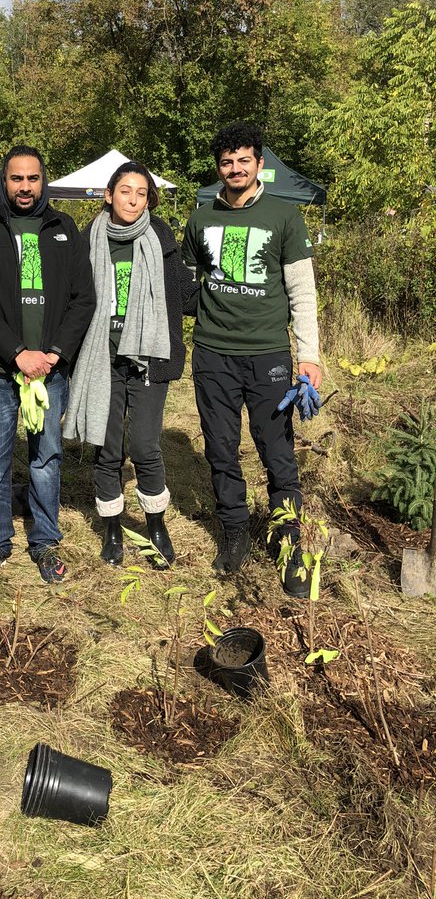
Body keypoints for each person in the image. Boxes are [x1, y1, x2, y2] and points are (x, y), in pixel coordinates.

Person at [181, 121, 323, 596]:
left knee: (277, 452)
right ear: (218, 168)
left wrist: (310, 355)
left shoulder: (284, 216)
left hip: (270, 357)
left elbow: (302, 291)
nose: (235, 168)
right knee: (220, 450)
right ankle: (235, 532)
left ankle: (288, 542)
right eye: (227, 162)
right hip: (213, 354)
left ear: (259, 163)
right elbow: (189, 281)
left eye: (244, 160)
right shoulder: (200, 219)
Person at [0, 145, 95, 583]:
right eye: (16, 178)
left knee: (46, 460)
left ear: (44, 181)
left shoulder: (63, 228)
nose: (24, 187)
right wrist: (17, 351)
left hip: (51, 371)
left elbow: (83, 298)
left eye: (32, 178)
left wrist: (55, 352)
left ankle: (45, 542)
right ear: (4, 180)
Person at [66, 162, 198, 568]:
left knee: (144, 445)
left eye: (141, 193)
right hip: (101, 356)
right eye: (126, 191)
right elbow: (72, 294)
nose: (133, 199)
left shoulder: (160, 237)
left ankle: (156, 524)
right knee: (108, 449)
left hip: (148, 356)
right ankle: (112, 528)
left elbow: (184, 296)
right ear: (109, 194)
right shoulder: (88, 238)